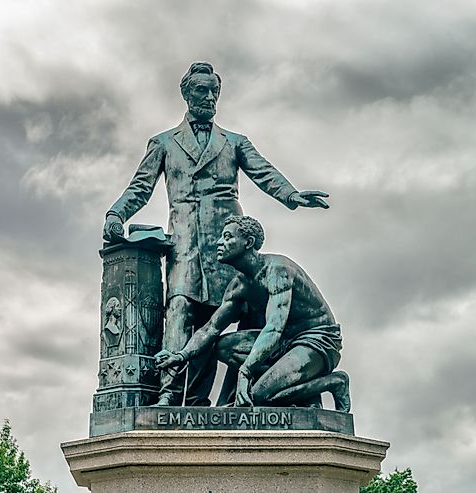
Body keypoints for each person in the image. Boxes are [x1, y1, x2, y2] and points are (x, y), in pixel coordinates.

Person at [103, 62, 329, 406]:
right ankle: (171, 394)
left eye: (214, 91)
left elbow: (263, 172)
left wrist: (291, 195)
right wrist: (117, 212)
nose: (209, 97)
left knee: (245, 316)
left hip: (230, 245)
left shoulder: (235, 142)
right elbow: (141, 187)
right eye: (201, 91)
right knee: (180, 311)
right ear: (186, 94)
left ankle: (243, 397)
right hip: (186, 246)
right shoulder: (164, 143)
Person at [155, 216, 350, 411]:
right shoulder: (239, 285)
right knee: (222, 346)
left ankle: (333, 382)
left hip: (316, 341)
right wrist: (180, 356)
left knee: (259, 396)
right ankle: (293, 381)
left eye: (227, 237)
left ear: (248, 242)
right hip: (284, 343)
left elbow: (274, 328)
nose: (218, 242)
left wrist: (246, 371)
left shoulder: (278, 270)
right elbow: (211, 328)